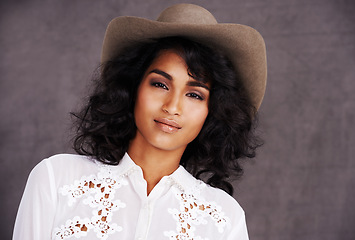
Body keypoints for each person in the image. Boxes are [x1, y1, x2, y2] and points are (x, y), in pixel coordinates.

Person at [13, 3, 266, 240]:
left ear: (213, 111)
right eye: (160, 84)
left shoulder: (224, 219)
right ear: (133, 88)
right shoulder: (56, 179)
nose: (172, 107)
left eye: (194, 94)